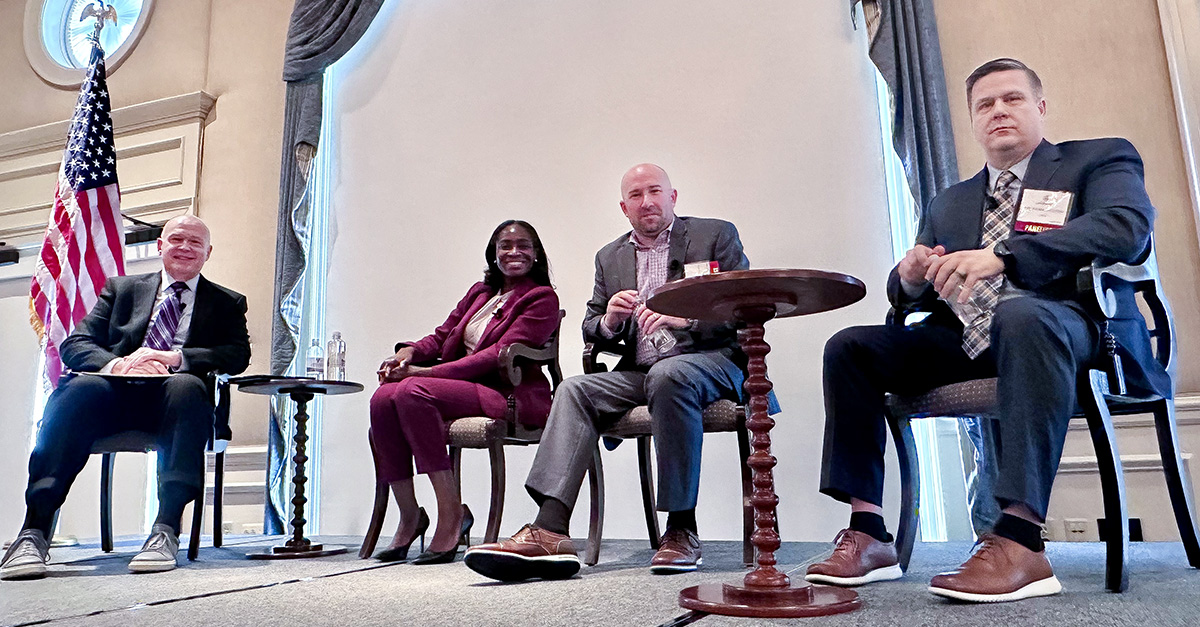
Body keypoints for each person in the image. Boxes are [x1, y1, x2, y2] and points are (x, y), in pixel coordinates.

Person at [807, 58, 1170, 602]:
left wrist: (1004, 254)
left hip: (1072, 328)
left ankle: (1022, 539)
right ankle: (869, 532)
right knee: (851, 347)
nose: (998, 110)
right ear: (973, 121)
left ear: (1040, 108)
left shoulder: (1097, 159)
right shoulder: (949, 201)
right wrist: (907, 279)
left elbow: (1125, 228)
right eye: (985, 104)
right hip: (971, 340)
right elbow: (919, 285)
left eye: (1012, 99)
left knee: (1021, 314)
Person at [465, 163, 770, 582]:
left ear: (673, 196)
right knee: (573, 389)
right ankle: (550, 528)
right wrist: (608, 320)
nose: (647, 202)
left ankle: (681, 528)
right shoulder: (610, 257)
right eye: (637, 196)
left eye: (655, 192)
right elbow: (591, 325)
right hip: (642, 371)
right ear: (624, 207)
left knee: (672, 375)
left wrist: (686, 320)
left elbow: (744, 307)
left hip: (712, 362)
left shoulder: (714, 236)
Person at [1, 215, 251, 580]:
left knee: (187, 385)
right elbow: (76, 345)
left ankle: (165, 530)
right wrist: (118, 365)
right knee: (74, 390)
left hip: (174, 401)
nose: (185, 248)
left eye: (195, 243)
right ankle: (34, 532)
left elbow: (237, 356)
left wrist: (177, 359)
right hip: (113, 396)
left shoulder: (227, 302)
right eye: (176, 239)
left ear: (208, 253)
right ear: (159, 246)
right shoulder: (122, 289)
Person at [368, 220, 560, 565]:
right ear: (494, 253)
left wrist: (425, 372)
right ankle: (410, 516)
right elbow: (442, 337)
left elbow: (495, 355)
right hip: (457, 388)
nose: (514, 252)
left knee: (413, 390)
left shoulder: (541, 298)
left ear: (536, 255)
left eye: (523, 245)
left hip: (507, 394)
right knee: (383, 398)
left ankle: (451, 515)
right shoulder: (479, 294)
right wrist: (407, 353)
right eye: (505, 245)